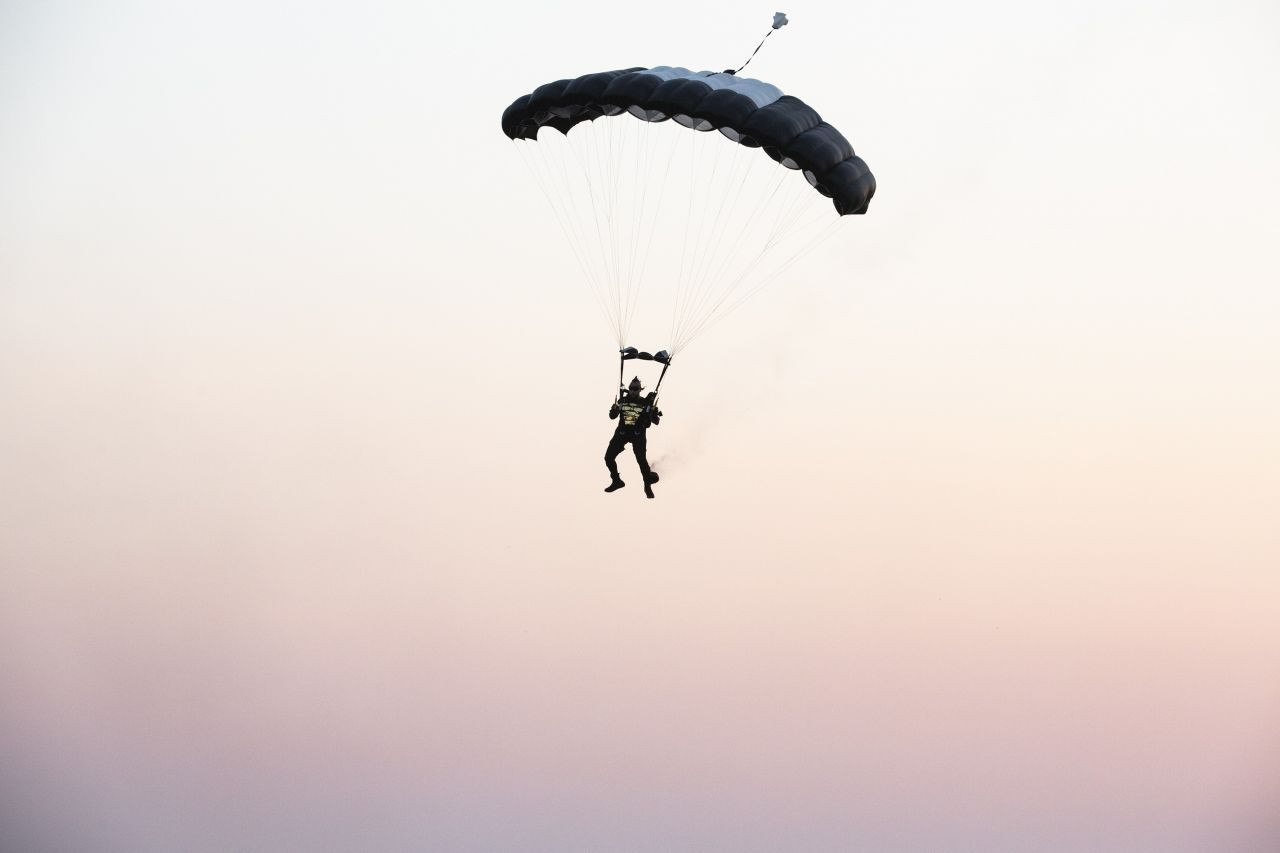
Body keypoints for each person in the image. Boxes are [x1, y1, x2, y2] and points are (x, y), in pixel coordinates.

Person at [605, 376, 662, 498]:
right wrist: (614, 410)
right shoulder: (622, 401)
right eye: (631, 388)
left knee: (641, 460)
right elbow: (612, 416)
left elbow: (656, 421)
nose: (632, 390)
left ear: (640, 390)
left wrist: (652, 412)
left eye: (635, 388)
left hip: (638, 434)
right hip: (622, 432)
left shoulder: (645, 403)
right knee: (608, 457)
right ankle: (616, 481)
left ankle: (647, 485)